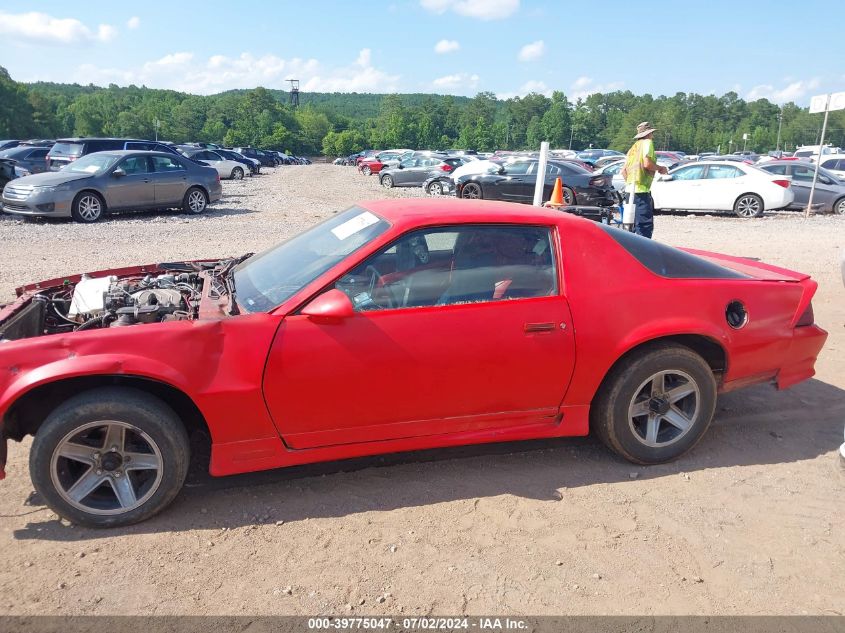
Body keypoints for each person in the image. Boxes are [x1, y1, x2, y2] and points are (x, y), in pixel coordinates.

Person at [622, 121, 668, 238]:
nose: (653, 136)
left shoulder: (633, 148)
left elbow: (624, 171)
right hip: (641, 190)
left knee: (630, 225)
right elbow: (647, 164)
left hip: (629, 190)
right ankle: (643, 252)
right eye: (652, 133)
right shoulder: (647, 143)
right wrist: (660, 168)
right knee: (644, 226)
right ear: (648, 134)